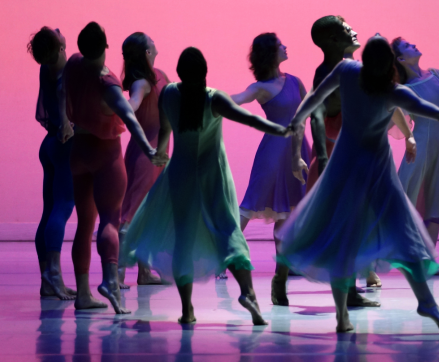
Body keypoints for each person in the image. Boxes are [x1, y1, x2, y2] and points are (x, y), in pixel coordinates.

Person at [278, 35, 439, 333]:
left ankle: (344, 316)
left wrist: (298, 118)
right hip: (374, 170)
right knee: (401, 233)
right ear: (389, 65)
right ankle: (423, 302)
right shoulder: (390, 91)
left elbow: (315, 98)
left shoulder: (349, 72)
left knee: (343, 239)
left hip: (348, 167)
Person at [121, 47, 275, 326]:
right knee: (227, 230)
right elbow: (249, 119)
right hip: (212, 175)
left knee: (184, 238)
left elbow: (165, 131)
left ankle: (187, 310)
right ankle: (248, 292)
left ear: (180, 73)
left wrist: (161, 152)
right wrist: (281, 129)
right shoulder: (213, 99)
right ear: (204, 72)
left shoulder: (168, 93)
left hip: (180, 174)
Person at [62, 21, 157, 313]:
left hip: (78, 149)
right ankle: (110, 284)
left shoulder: (74, 64)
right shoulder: (108, 82)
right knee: (109, 222)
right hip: (106, 155)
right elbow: (130, 117)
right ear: (105, 47)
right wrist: (149, 149)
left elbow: (61, 91)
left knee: (84, 224)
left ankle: (82, 294)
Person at [305, 15, 384, 300]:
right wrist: (324, 156)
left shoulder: (353, 69)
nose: (353, 29)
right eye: (346, 29)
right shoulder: (330, 70)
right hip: (338, 152)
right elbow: (316, 112)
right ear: (333, 41)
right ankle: (348, 289)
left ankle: (351, 288)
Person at [229, 33, 311, 304]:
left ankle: (282, 273)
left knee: (287, 211)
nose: (286, 46)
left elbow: (312, 105)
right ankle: (225, 251)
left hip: (298, 149)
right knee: (252, 204)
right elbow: (237, 99)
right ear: (270, 53)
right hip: (274, 153)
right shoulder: (260, 87)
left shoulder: (295, 81)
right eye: (280, 45)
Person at [390, 37, 439, 277]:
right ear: (401, 59)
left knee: (437, 202)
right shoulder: (404, 89)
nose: (414, 45)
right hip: (420, 146)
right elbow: (395, 119)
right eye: (407, 46)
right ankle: (386, 256)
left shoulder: (438, 75)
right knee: (404, 200)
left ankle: (428, 262)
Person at [118, 32, 171, 287]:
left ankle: (144, 272)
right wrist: (112, 110)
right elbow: (132, 104)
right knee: (132, 213)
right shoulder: (141, 82)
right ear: (147, 52)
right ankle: (116, 274)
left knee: (147, 213)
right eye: (152, 39)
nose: (154, 40)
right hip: (146, 155)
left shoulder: (159, 74)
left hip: (157, 153)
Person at [29, 27, 77, 300]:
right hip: (63, 146)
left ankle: (47, 279)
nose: (61, 31)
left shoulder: (45, 69)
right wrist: (68, 125)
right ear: (60, 47)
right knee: (62, 208)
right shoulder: (68, 70)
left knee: (48, 212)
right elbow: (61, 99)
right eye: (59, 35)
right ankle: (55, 279)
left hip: (48, 145)